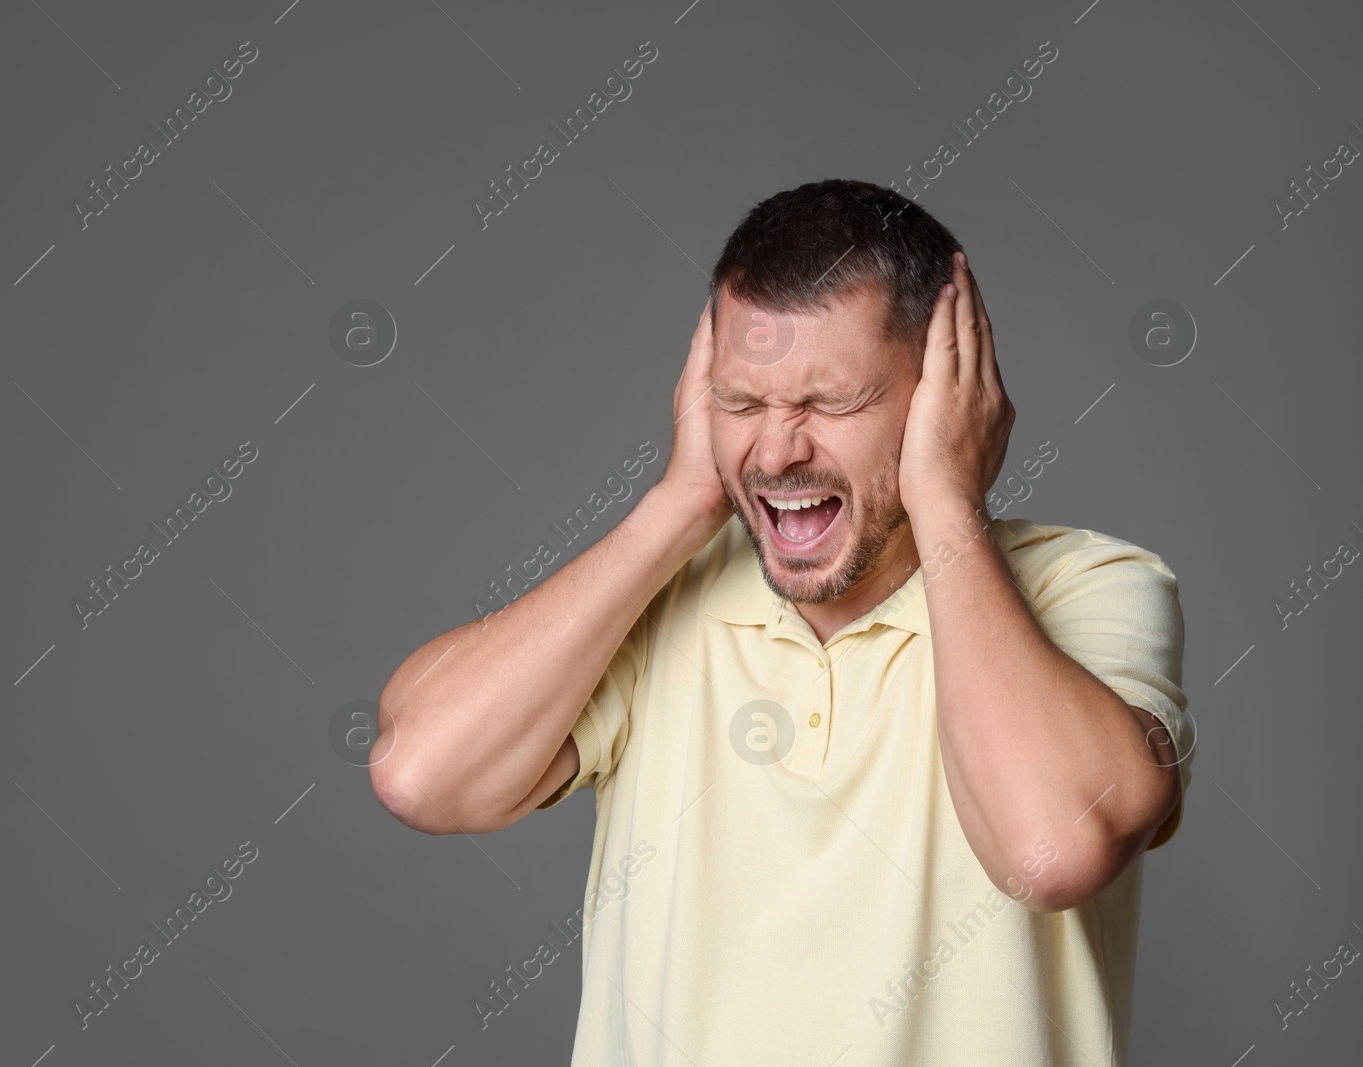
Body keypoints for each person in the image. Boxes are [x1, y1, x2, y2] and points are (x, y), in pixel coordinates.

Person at [371, 178, 1192, 1066]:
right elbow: (421, 773)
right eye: (742, 403)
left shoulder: (1094, 586)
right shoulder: (659, 599)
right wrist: (680, 503)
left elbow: (1055, 849)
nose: (774, 452)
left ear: (944, 394)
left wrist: (948, 501)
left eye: (829, 403)